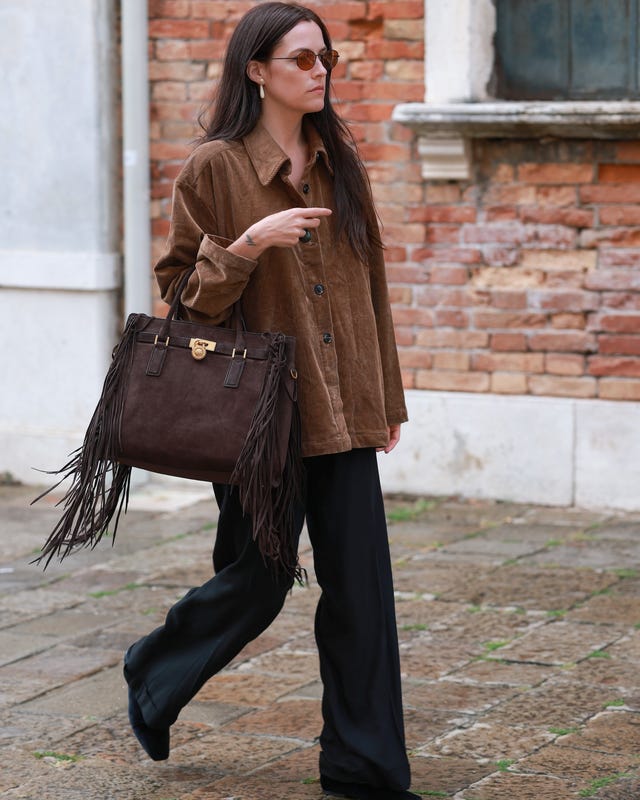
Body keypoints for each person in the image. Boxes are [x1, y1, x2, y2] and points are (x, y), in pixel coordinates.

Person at [123, 4, 418, 798]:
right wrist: (249, 245)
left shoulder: (338, 163)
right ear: (257, 70)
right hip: (261, 423)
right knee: (256, 582)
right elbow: (185, 307)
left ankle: (364, 768)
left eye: (326, 58)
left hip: (345, 412)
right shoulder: (214, 170)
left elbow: (372, 293)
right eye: (302, 59)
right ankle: (154, 672)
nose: (320, 71)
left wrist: (384, 400)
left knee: (362, 595)